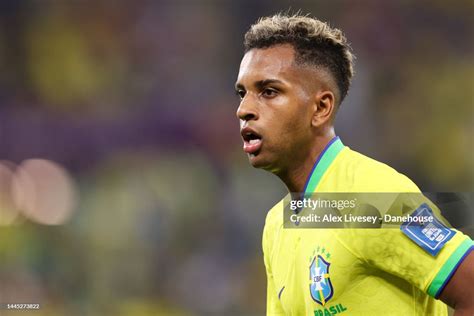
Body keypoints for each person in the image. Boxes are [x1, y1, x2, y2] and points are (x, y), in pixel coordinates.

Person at [234, 13, 473, 315]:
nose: (244, 110)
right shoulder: (277, 223)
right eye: (242, 93)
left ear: (321, 108)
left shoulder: (373, 197)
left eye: (269, 92)